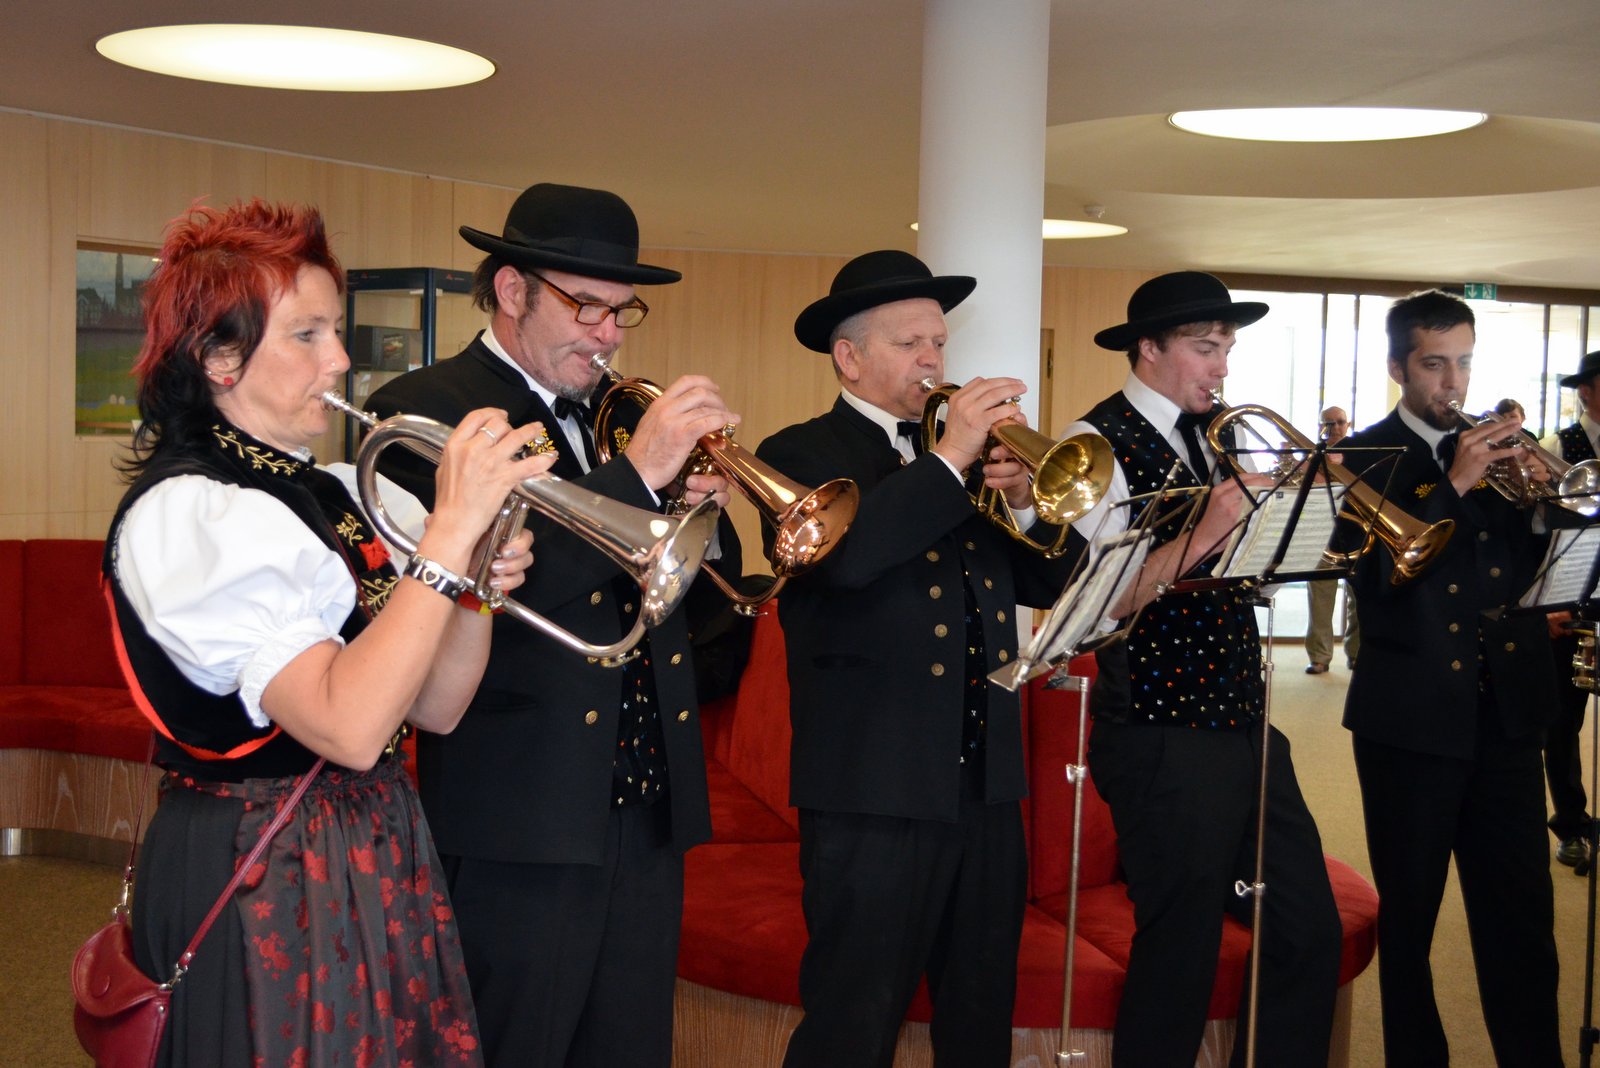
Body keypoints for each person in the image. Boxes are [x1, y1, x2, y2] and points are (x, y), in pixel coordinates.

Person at [107, 199, 549, 1066]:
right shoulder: (191, 513)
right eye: (307, 335)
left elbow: (438, 707)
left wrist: (474, 585)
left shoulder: (340, 489)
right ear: (219, 358)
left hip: (371, 838)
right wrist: (448, 540)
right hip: (259, 859)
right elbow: (347, 726)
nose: (341, 359)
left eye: (336, 331)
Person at [365, 182, 737, 1068]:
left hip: (647, 803)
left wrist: (700, 518)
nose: (608, 335)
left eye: (621, 312)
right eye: (586, 307)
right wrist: (638, 476)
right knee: (514, 1044)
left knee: (630, 1048)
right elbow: (494, 592)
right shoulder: (428, 410)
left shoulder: (615, 415)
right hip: (519, 810)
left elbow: (683, 608)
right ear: (511, 290)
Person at [754, 250, 1083, 1066]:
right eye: (910, 344)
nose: (933, 360)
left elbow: (1050, 579)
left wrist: (1023, 500)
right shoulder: (797, 451)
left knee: (980, 1014)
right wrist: (949, 461)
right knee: (851, 1019)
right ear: (849, 358)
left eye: (938, 342)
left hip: (985, 785)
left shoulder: (965, 463)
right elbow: (849, 563)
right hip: (871, 787)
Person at [1059, 271, 1342, 1068]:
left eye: (1227, 349)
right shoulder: (1093, 445)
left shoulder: (1217, 435)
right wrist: (1213, 525)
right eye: (1205, 347)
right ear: (1148, 348)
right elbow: (1105, 603)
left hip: (1243, 718)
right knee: (1180, 949)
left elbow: (1243, 574)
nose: (1221, 367)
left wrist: (1286, 529)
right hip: (1159, 729)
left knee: (1307, 930)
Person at [1340, 289, 1567, 1065]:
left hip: (1508, 714)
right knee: (1410, 921)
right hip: (1409, 720)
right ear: (1398, 366)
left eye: (1463, 363)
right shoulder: (1359, 457)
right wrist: (1455, 485)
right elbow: (1375, 581)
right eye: (1435, 364)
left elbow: (1540, 571)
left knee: (1522, 917)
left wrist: (1544, 503)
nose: (1454, 383)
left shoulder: (1503, 450)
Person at [1539, 350, 1600, 870]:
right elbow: (1539, 532)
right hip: (1574, 602)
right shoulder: (1558, 446)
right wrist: (1550, 602)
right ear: (1587, 391)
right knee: (1563, 722)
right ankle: (1572, 823)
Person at [1305, 405, 1360, 673]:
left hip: (1357, 533)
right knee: (1320, 598)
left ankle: (1357, 653)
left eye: (1340, 422)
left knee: (1359, 598)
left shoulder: (1360, 453)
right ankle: (1319, 657)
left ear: (1348, 425)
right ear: (1321, 427)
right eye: (1329, 423)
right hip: (1322, 534)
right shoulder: (1313, 456)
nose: (1335, 427)